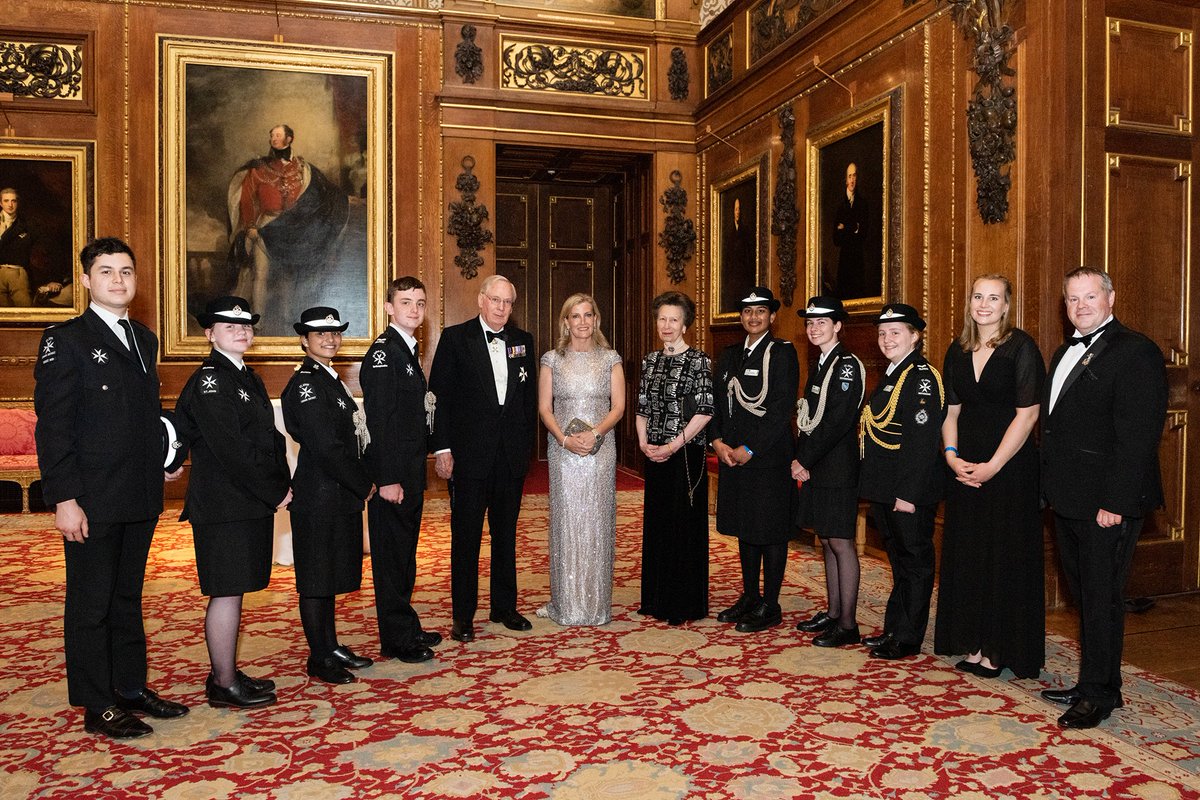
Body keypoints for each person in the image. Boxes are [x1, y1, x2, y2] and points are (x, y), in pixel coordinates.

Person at [34, 236, 189, 739]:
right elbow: (54, 426)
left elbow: (139, 414)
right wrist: (64, 498)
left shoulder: (144, 338)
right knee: (90, 603)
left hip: (138, 492)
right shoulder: (67, 338)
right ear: (85, 280)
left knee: (127, 597)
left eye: (126, 271)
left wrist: (164, 457)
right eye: (106, 271)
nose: (118, 280)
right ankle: (96, 703)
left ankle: (129, 687)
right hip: (91, 497)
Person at [1039, 267, 1167, 729]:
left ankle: (1101, 694)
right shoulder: (1064, 350)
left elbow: (1137, 438)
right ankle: (1091, 680)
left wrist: (1115, 503)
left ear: (1110, 298)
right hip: (1069, 499)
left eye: (1090, 297)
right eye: (1072, 299)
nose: (1081, 306)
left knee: (1102, 597)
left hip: (1106, 504)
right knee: (1085, 596)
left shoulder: (1136, 352)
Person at [176, 296, 290, 708]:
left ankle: (224, 671)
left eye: (245, 326)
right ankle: (223, 684)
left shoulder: (245, 376)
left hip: (245, 503)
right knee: (225, 592)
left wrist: (280, 481)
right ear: (209, 334)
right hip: (224, 506)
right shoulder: (212, 380)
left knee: (236, 589)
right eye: (229, 326)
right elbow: (232, 449)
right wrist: (277, 489)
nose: (241, 331)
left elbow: (270, 440)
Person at [935, 275, 1045, 679]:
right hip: (965, 466)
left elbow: (1028, 414)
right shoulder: (958, 349)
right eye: (978, 296)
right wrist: (951, 457)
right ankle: (975, 641)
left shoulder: (1021, 348)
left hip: (1009, 467)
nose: (984, 304)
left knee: (1003, 555)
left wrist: (994, 465)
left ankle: (1000, 649)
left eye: (992, 298)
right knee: (971, 552)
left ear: (1005, 305)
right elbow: (951, 411)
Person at [428, 274, 538, 643]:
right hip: (469, 458)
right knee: (466, 538)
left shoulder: (523, 341)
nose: (502, 308)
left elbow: (528, 401)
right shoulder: (456, 339)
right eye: (496, 300)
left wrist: (525, 450)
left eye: (508, 302)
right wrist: (442, 448)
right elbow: (438, 398)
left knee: (506, 535)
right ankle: (463, 616)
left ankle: (504, 607)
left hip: (510, 457)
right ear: (480, 300)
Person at [282, 307, 375, 684]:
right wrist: (362, 482)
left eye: (335, 332)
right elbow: (325, 446)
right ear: (304, 340)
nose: (330, 339)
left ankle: (330, 645)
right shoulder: (306, 383)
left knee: (330, 574)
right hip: (319, 494)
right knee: (316, 579)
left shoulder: (329, 378)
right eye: (321, 334)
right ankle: (318, 657)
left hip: (336, 494)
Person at [360, 277, 443, 662]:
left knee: (405, 554)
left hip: (408, 472)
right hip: (394, 476)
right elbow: (380, 420)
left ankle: (405, 625)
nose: (414, 309)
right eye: (406, 302)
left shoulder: (405, 351)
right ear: (389, 307)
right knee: (392, 559)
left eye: (420, 303)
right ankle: (396, 639)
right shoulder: (383, 353)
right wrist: (387, 478)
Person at [858, 303, 945, 659]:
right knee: (898, 560)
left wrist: (907, 494)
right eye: (882, 333)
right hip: (886, 488)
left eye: (895, 333)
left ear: (915, 335)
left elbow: (922, 441)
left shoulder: (922, 376)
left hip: (908, 491)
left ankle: (907, 638)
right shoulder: (893, 372)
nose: (887, 339)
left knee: (915, 562)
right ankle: (894, 629)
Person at [710, 287, 799, 633]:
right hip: (732, 455)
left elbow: (780, 409)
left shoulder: (782, 354)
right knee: (746, 528)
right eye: (747, 312)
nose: (753, 317)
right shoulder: (730, 354)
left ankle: (770, 604)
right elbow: (717, 401)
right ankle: (749, 596)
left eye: (761, 312)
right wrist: (717, 441)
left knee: (771, 530)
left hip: (767, 458)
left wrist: (751, 448)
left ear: (772, 317)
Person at [537, 293, 625, 626]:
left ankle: (597, 605)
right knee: (567, 522)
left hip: (600, 452)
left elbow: (617, 407)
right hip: (563, 452)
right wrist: (563, 439)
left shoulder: (610, 358)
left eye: (588, 315)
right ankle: (566, 603)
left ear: (596, 320)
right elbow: (545, 407)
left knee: (597, 522)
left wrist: (596, 434)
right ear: (566, 322)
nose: (583, 322)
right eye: (576, 316)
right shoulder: (551, 360)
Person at [636, 291, 714, 625]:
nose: (666, 326)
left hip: (685, 455)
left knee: (683, 525)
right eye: (662, 319)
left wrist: (672, 445)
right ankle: (656, 598)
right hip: (653, 453)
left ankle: (682, 603)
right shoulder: (649, 361)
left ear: (685, 325)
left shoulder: (699, 361)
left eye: (674, 320)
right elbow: (642, 408)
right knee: (658, 524)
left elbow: (706, 411)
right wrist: (643, 442)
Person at [791, 296, 866, 647]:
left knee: (841, 541)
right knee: (827, 540)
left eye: (822, 322)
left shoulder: (846, 364)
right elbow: (809, 418)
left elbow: (836, 421)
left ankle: (848, 624)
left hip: (837, 465)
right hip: (820, 464)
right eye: (810, 323)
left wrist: (804, 459)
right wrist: (804, 457)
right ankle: (834, 613)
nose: (814, 327)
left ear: (838, 326)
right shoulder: (822, 361)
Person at [227, 124, 349, 320]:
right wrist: (250, 225)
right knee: (261, 273)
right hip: (265, 226)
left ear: (289, 139)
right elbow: (247, 199)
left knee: (288, 275)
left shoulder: (303, 169)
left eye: (277, 135)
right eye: (271, 136)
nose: (273, 139)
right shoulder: (258, 168)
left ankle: (287, 320)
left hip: (291, 227)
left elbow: (322, 193)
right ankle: (257, 320)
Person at [829, 163, 868, 298]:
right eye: (849, 176)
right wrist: (853, 228)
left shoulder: (863, 204)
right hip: (844, 261)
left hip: (857, 260)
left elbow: (863, 234)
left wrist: (845, 227)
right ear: (846, 179)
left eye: (854, 176)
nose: (852, 180)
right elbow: (836, 239)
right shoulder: (839, 206)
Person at [0, 187, 33, 307]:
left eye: (13, 201)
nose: (10, 205)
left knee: (25, 310)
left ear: (17, 203)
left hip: (17, 273)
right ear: (0, 203)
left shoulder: (26, 225)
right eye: (6, 201)